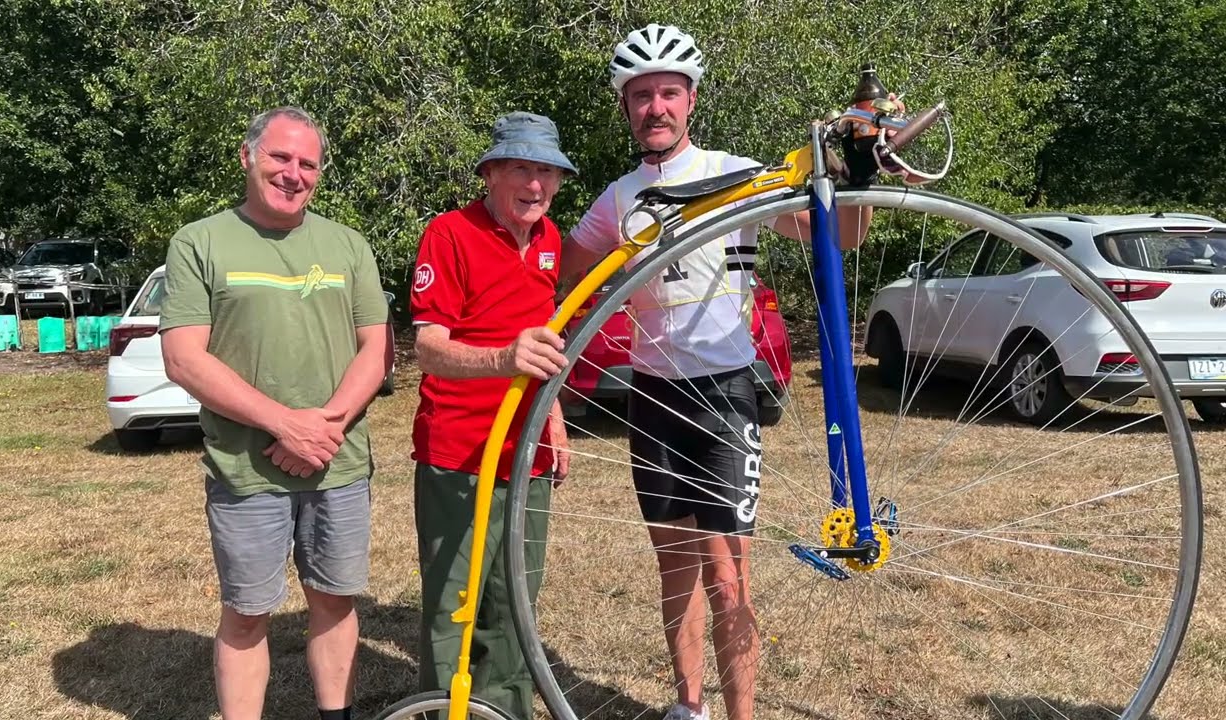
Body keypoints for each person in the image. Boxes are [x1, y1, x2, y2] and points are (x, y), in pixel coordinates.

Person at [560, 24, 885, 720]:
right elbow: (564, 275)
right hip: (652, 398)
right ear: (626, 106)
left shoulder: (737, 176)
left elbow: (842, 237)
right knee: (674, 568)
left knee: (728, 577)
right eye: (641, 95)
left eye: (668, 93)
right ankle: (688, 707)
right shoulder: (617, 199)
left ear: (691, 100)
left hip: (724, 398)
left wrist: (858, 178)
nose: (655, 107)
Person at [159, 106, 393, 720]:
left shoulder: (347, 245)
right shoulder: (199, 242)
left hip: (337, 464)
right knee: (246, 613)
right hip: (245, 468)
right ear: (248, 156)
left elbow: (376, 348)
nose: (294, 173)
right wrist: (284, 424)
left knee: (335, 602)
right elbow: (183, 358)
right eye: (280, 157)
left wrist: (324, 427)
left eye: (307, 164)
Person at [409, 111, 575, 720]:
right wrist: (504, 358)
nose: (535, 185)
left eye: (547, 173)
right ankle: (446, 712)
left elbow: (546, 344)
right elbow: (428, 347)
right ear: (491, 174)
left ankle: (507, 711)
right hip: (459, 453)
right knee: (455, 606)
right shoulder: (450, 234)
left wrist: (553, 419)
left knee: (515, 605)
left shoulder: (551, 240)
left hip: (527, 453)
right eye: (522, 169)